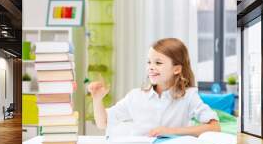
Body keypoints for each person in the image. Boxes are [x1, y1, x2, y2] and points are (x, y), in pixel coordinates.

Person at [87, 38, 220, 137]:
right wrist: (97, 99)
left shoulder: (189, 96)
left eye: (158, 63)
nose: (151, 66)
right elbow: (102, 123)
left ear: (177, 69)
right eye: (149, 62)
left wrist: (171, 131)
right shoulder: (135, 96)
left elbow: (215, 127)